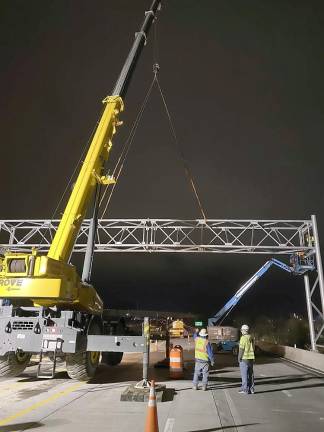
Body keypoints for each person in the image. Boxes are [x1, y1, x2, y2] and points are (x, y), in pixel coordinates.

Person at [238, 324, 255, 394]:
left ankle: (245, 389)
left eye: (242, 330)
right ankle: (251, 389)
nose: (241, 331)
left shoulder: (243, 338)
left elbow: (241, 349)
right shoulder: (251, 337)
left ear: (244, 331)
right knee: (250, 375)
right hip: (251, 358)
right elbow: (253, 348)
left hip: (244, 359)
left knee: (244, 375)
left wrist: (239, 358)